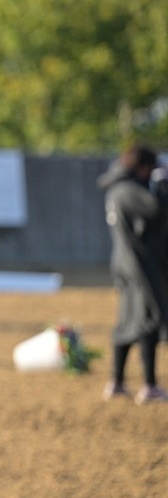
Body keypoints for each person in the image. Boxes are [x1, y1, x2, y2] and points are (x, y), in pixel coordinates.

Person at [97, 145, 168, 404]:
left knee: (127, 321)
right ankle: (149, 386)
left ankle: (117, 382)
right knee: (147, 321)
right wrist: (162, 187)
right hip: (139, 265)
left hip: (125, 263)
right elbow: (156, 211)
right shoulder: (127, 190)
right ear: (143, 167)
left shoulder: (116, 189)